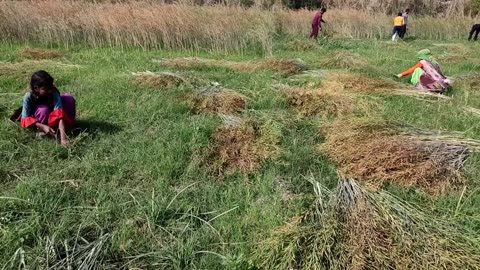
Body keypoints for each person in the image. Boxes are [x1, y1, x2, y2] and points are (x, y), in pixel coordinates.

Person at [20, 70, 76, 146]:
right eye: (45, 89)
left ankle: (65, 129)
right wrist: (42, 126)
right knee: (43, 110)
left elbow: (60, 115)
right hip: (39, 118)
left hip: (53, 113)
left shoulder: (53, 92)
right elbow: (25, 119)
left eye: (50, 88)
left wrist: (64, 138)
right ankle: (45, 132)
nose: (49, 91)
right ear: (36, 88)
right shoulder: (28, 97)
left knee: (69, 99)